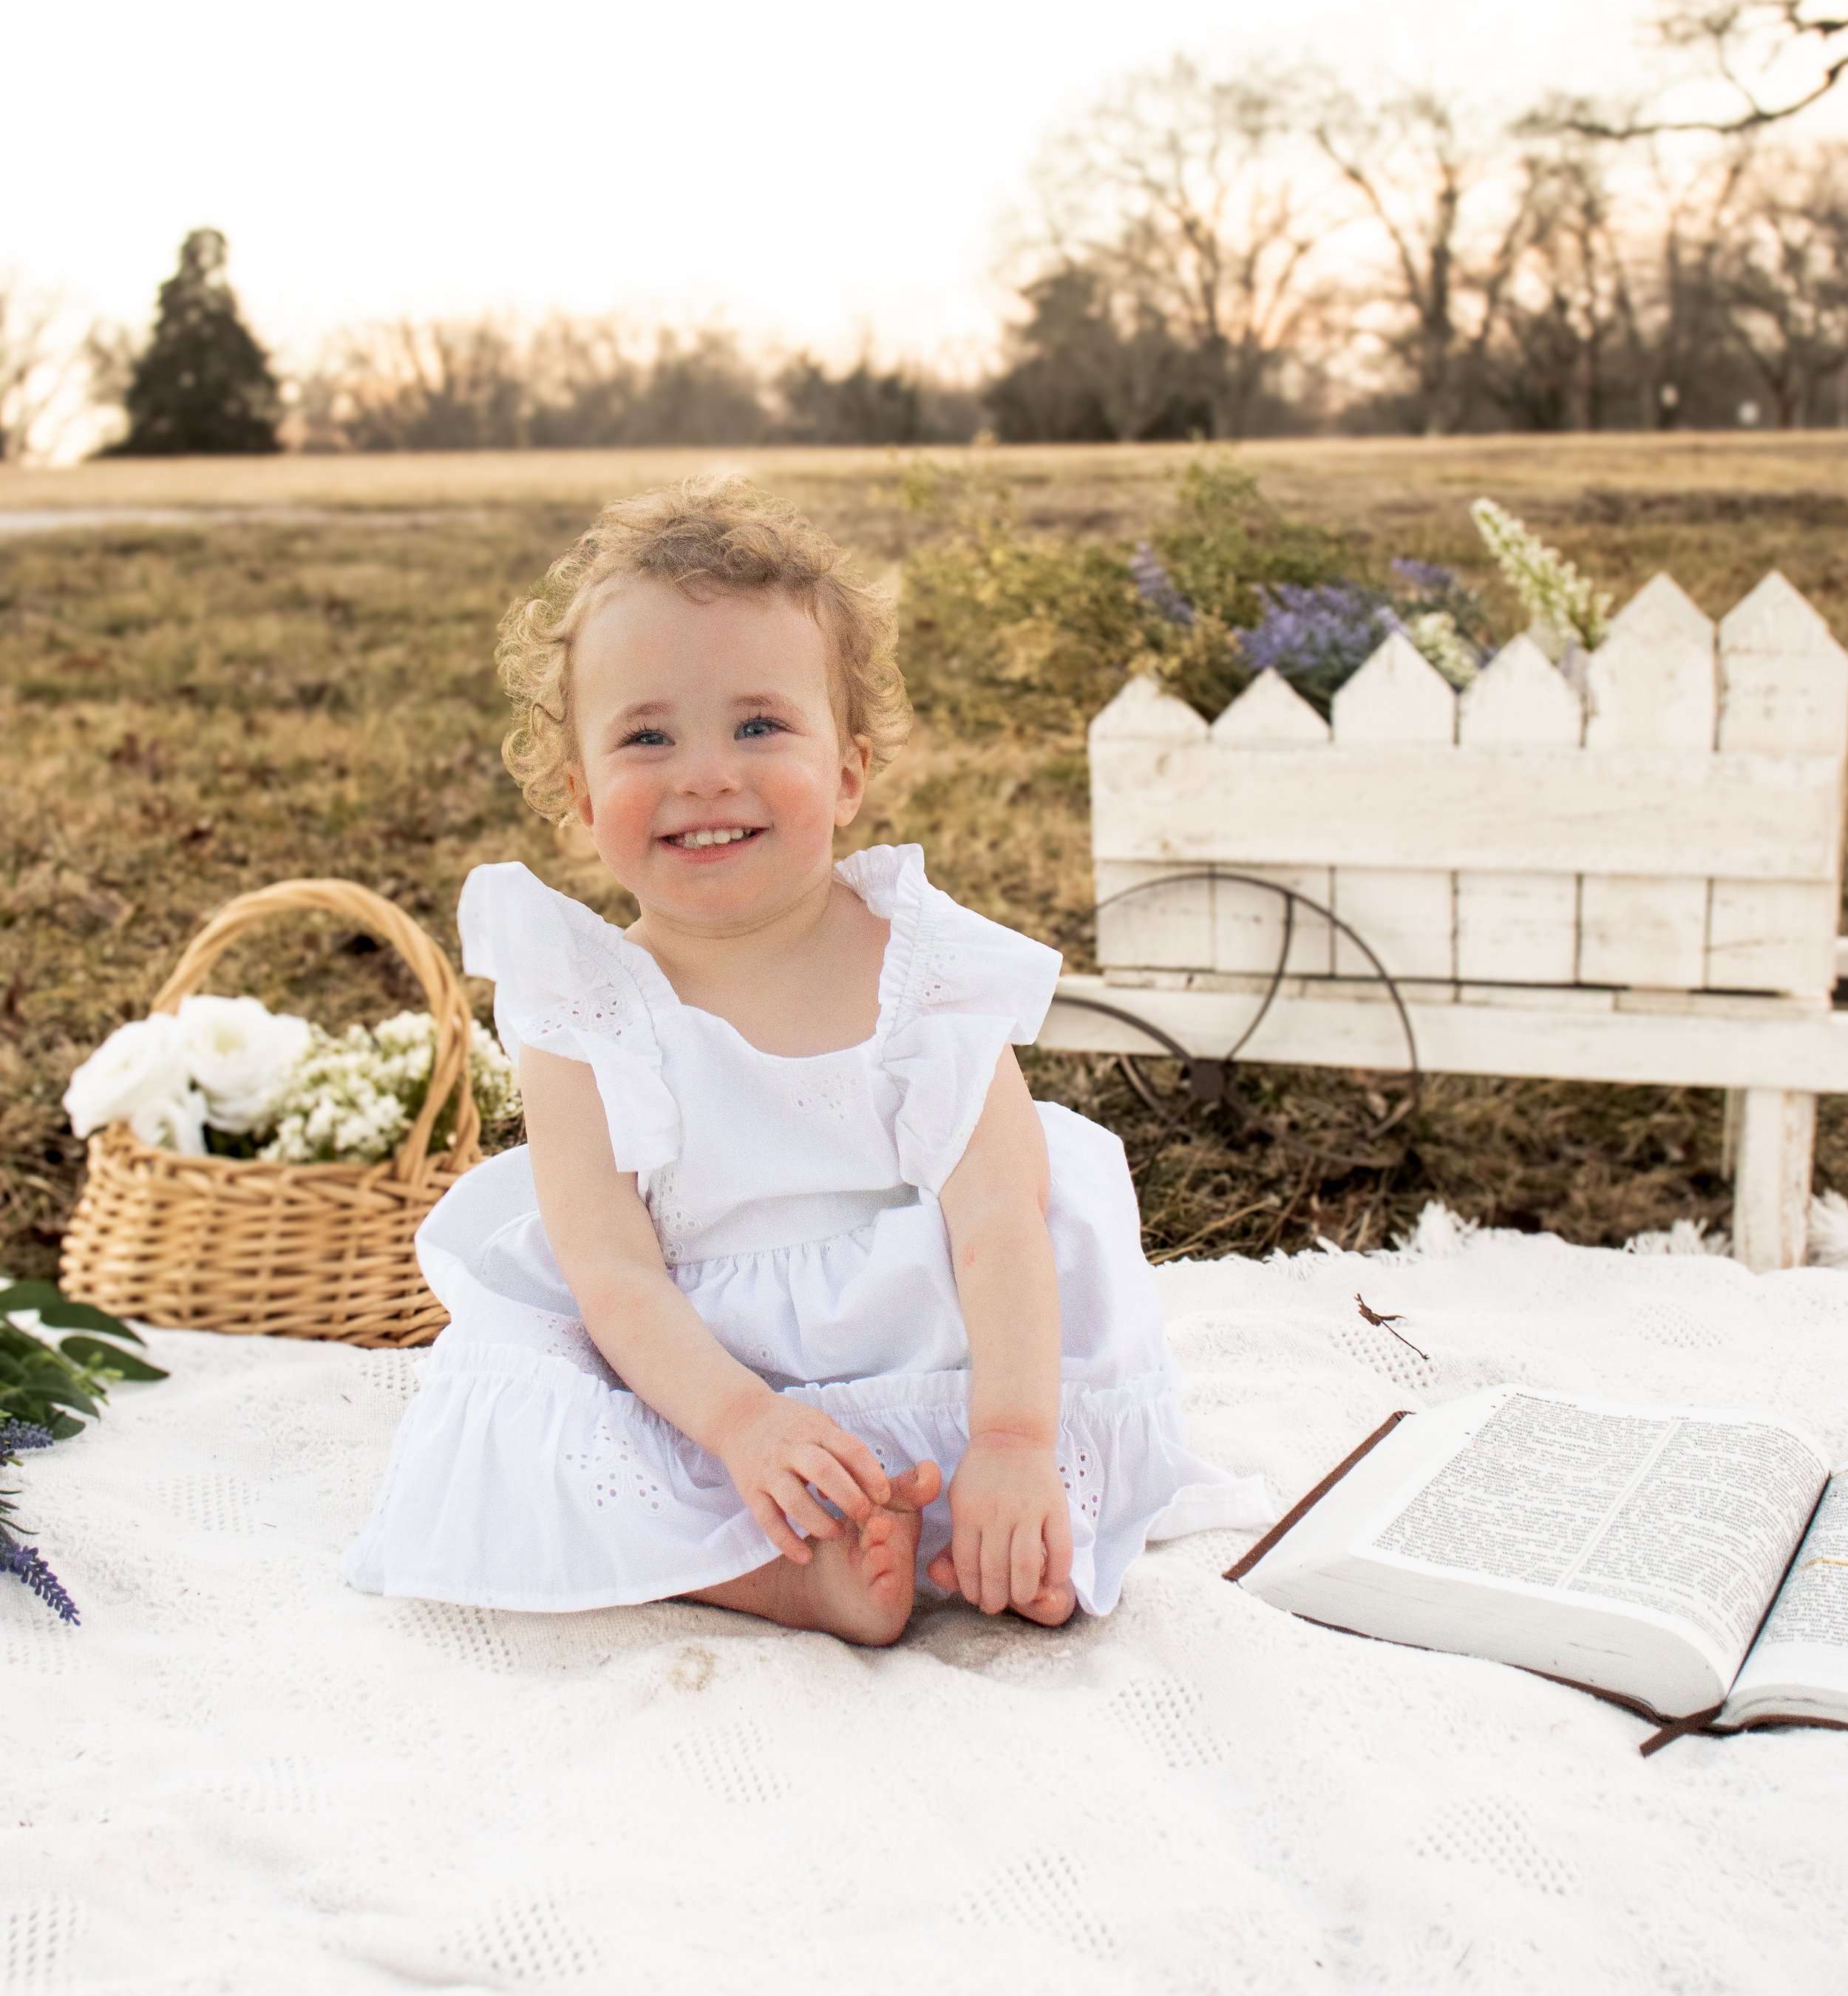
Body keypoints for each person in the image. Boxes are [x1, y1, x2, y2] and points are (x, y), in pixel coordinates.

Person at [343, 479, 1226, 1644]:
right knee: (509, 1422)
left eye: (759, 725)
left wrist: (1013, 1441)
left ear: (850, 772)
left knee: (1049, 1299)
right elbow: (612, 1275)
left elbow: (1001, 1221)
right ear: (579, 794)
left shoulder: (921, 970)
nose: (706, 772)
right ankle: (787, 1577)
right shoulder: (580, 1008)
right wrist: (743, 1422)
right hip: (692, 1374)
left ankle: (981, 1524)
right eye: (648, 736)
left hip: (934, 1336)